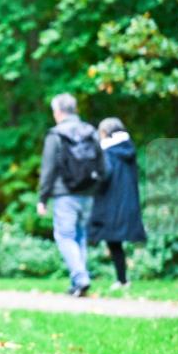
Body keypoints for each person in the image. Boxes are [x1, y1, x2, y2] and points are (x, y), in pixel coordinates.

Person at [36, 93, 106, 298]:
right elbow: (103, 165)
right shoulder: (90, 131)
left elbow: (48, 169)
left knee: (65, 236)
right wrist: (96, 185)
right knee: (80, 236)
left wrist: (42, 198)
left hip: (65, 194)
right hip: (88, 193)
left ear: (58, 112)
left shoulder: (55, 134)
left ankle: (81, 278)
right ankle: (77, 283)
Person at [88, 118, 147, 289]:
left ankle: (117, 279)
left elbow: (103, 176)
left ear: (105, 133)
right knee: (115, 242)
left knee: (109, 241)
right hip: (127, 204)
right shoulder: (128, 149)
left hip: (110, 204)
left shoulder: (107, 151)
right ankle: (122, 280)